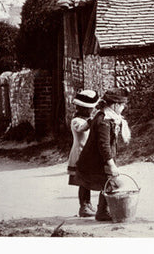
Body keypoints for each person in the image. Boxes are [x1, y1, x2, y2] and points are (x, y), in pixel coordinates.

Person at [73, 88, 132, 221]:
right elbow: (103, 146)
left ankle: (101, 210)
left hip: (95, 160)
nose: (123, 108)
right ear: (115, 105)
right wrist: (111, 165)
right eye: (122, 105)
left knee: (107, 182)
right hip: (94, 161)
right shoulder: (104, 121)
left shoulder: (108, 117)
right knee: (110, 182)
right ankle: (102, 212)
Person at [67, 89, 99, 217]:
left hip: (87, 154)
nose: (91, 110)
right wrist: (93, 120)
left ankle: (88, 204)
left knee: (87, 182)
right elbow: (81, 128)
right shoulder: (76, 121)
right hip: (80, 154)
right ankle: (84, 206)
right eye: (89, 109)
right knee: (83, 183)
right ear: (83, 109)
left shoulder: (86, 119)